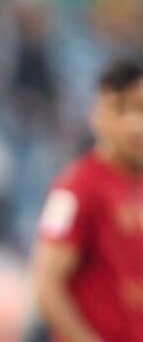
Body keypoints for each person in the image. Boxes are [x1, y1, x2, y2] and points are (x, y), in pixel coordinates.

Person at [32, 59, 143, 342]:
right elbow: (46, 284)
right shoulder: (75, 188)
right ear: (97, 116)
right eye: (121, 109)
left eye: (141, 109)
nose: (134, 125)